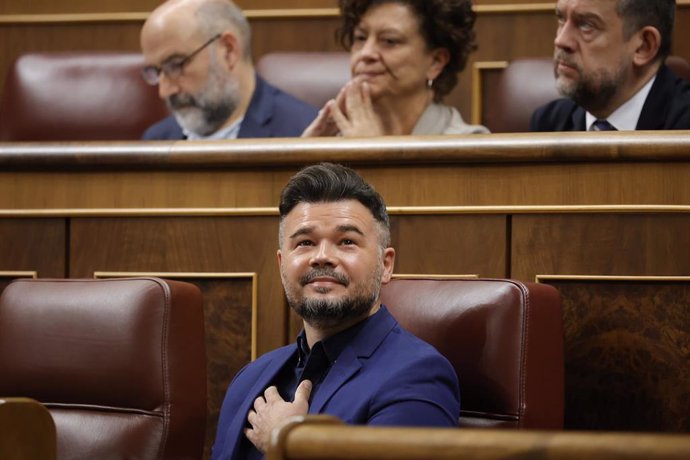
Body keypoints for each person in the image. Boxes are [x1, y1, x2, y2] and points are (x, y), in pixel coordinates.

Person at [211, 163, 460, 459]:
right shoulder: (250, 378)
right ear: (281, 265)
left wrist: (290, 443)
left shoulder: (419, 375)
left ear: (386, 265)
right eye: (305, 243)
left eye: (346, 242)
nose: (323, 257)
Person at [303, 0, 488, 137]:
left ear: (435, 62)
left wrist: (370, 157)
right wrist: (306, 159)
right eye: (360, 38)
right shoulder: (335, 140)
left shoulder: (468, 146)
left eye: (389, 41)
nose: (366, 53)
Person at [139, 0, 317, 140]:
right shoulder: (156, 140)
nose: (164, 91)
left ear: (228, 51)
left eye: (176, 65)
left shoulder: (304, 133)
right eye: (156, 71)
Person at [531, 0, 690, 131]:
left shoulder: (683, 129)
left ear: (643, 46)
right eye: (561, 18)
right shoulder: (548, 123)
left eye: (586, 25)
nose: (561, 40)